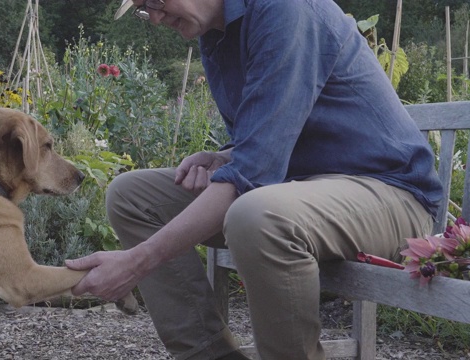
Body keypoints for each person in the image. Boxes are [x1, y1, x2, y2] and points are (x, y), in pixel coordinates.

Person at [65, 0, 444, 359]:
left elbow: (252, 176)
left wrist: (135, 263)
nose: (157, 17)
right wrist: (225, 155)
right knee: (132, 196)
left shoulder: (286, 10)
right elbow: (268, 137)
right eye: (145, 10)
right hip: (303, 190)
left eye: (156, 2)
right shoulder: (215, 32)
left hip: (390, 194)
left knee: (256, 215)